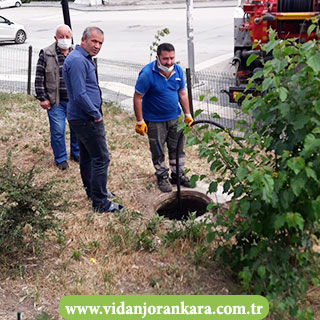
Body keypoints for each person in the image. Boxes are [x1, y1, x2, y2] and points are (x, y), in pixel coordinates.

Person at [63, 26, 123, 213]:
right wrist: (95, 114)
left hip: (81, 117)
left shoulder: (82, 58)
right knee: (101, 158)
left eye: (100, 43)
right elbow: (80, 94)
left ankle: (94, 191)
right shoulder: (78, 61)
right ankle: (100, 202)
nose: (97, 46)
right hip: (86, 118)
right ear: (83, 40)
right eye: (94, 41)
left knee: (88, 156)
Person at [133, 42, 195, 193]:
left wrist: (187, 114)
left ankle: (178, 174)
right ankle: (162, 176)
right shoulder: (147, 74)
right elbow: (137, 98)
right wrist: (140, 121)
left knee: (178, 148)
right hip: (154, 121)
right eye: (165, 59)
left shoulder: (178, 71)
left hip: (175, 118)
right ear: (158, 58)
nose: (169, 62)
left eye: (172, 58)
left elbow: (182, 94)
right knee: (158, 149)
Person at [35, 24, 79, 170]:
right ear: (55, 38)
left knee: (77, 129)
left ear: (71, 37)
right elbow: (39, 77)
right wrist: (42, 98)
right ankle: (61, 158)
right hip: (56, 101)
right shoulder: (46, 54)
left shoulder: (77, 54)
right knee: (58, 130)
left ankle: (76, 153)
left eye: (67, 36)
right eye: (61, 36)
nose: (64, 39)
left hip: (75, 101)